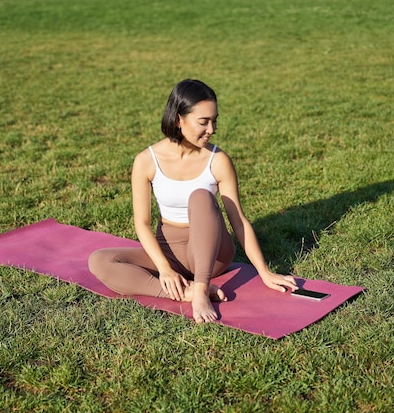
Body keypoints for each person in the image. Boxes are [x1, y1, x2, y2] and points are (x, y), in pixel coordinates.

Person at [88, 79, 298, 324]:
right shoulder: (146, 160)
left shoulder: (218, 161)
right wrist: (164, 269)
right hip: (171, 251)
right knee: (100, 260)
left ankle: (200, 287)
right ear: (179, 119)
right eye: (203, 122)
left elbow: (238, 220)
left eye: (214, 120)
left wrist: (265, 272)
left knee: (200, 196)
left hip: (213, 254)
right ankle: (187, 293)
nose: (212, 129)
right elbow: (142, 223)